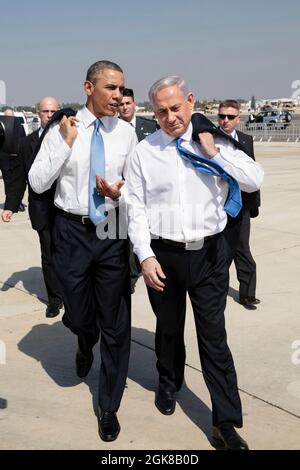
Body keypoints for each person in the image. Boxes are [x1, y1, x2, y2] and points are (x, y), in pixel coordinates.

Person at [125, 76, 264, 450]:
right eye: (161, 112)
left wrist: (215, 153)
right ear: (152, 113)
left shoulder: (215, 141)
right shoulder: (144, 152)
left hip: (210, 255)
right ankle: (168, 382)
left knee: (214, 339)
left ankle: (226, 422)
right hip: (164, 256)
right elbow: (134, 208)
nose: (170, 117)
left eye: (175, 108)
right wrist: (145, 255)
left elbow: (253, 180)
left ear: (190, 101)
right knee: (168, 330)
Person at [28, 61, 136, 442]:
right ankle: (83, 338)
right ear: (88, 88)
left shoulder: (126, 133)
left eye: (121, 89)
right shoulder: (64, 129)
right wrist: (66, 144)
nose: (118, 96)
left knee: (116, 321)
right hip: (71, 229)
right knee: (79, 311)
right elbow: (38, 181)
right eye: (110, 88)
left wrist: (120, 193)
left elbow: (135, 186)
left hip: (112, 224)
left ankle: (108, 406)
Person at [1, 97, 63, 318]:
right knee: (48, 255)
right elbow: (19, 179)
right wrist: (9, 206)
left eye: (53, 111)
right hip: (41, 210)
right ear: (38, 113)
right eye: (45, 111)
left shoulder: (71, 139)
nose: (49, 115)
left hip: (67, 210)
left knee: (68, 255)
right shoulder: (26, 144)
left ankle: (72, 294)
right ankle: (54, 299)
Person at [218, 100, 261, 309]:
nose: (225, 121)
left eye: (230, 117)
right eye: (222, 116)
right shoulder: (209, 139)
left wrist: (255, 205)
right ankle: (216, 291)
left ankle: (247, 294)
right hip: (218, 207)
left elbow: (252, 173)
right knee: (221, 252)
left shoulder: (246, 140)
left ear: (238, 119)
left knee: (242, 249)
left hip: (242, 206)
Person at [118, 88, 158, 293]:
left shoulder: (150, 128)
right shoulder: (111, 129)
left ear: (134, 104)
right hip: (123, 191)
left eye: (128, 103)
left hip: (147, 190)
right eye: (121, 104)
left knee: (146, 231)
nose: (124, 107)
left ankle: (145, 262)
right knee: (125, 234)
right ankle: (132, 274)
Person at [0, 109, 26, 212]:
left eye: (10, 117)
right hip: (4, 159)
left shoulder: (19, 127)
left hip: (16, 158)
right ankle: (10, 202)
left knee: (17, 181)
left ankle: (18, 201)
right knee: (8, 182)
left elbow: (23, 140)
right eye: (7, 117)